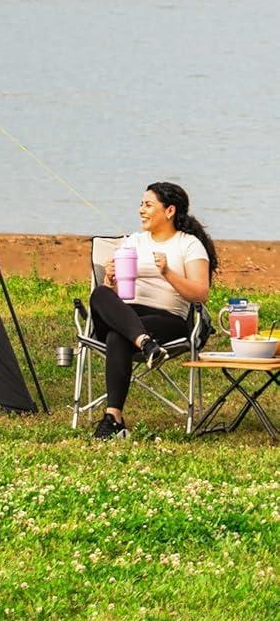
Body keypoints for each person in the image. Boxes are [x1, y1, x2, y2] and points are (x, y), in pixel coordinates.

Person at [88, 181, 216, 440]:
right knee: (100, 294)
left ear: (169, 211)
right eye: (141, 204)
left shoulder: (189, 245)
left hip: (167, 320)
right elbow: (113, 296)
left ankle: (113, 419)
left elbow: (200, 293)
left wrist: (167, 272)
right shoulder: (133, 242)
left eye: (148, 205)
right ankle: (146, 344)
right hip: (129, 315)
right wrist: (110, 280)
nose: (141, 210)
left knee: (117, 336)